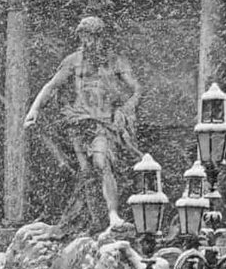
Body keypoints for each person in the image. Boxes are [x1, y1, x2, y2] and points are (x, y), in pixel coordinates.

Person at [23, 15, 140, 230]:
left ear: (101, 38)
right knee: (87, 174)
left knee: (102, 162)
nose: (88, 43)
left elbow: (136, 90)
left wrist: (124, 110)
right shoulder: (73, 61)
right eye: (84, 38)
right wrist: (35, 109)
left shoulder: (115, 61)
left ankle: (113, 215)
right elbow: (52, 86)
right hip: (78, 122)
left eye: (92, 38)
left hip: (103, 123)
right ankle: (93, 220)